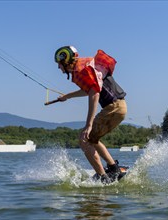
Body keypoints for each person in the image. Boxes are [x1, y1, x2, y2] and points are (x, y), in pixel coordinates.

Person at [54, 46, 127, 184]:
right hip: (117, 107)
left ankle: (103, 177)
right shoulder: (83, 66)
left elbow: (94, 93)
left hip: (114, 107)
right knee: (93, 139)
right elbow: (89, 89)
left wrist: (89, 124)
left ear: (67, 60)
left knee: (84, 139)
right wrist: (67, 96)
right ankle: (113, 169)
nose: (58, 67)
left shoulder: (82, 69)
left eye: (59, 63)